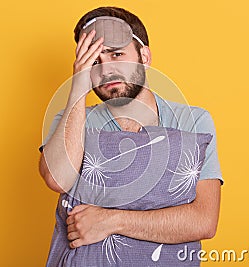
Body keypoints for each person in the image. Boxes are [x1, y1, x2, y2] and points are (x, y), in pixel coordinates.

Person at [39, 6, 223, 266]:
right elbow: (58, 179)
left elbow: (203, 221)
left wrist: (110, 221)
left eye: (117, 54)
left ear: (144, 56)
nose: (106, 70)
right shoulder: (70, 121)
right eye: (94, 62)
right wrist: (79, 86)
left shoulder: (192, 121)